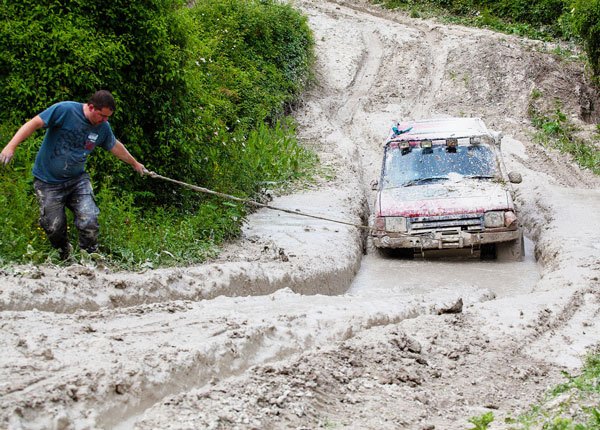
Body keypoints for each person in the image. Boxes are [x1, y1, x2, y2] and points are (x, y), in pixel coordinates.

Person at [0, 90, 145, 259]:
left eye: (108, 117)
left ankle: (90, 257)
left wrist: (135, 164)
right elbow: (34, 123)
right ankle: (64, 255)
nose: (105, 120)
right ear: (91, 107)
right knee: (54, 226)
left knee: (89, 219)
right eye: (102, 116)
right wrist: (11, 146)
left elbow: (115, 146)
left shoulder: (103, 127)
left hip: (77, 181)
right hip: (48, 182)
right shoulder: (64, 110)